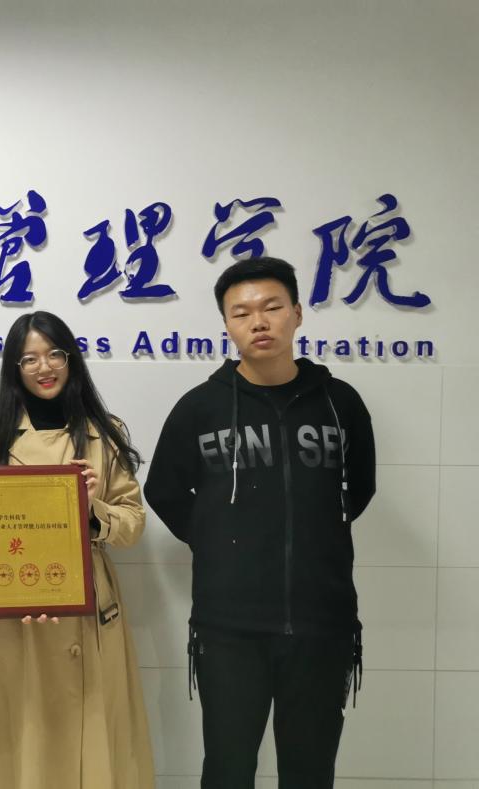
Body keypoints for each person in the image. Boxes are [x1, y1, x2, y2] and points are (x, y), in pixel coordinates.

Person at [144, 257, 377, 788]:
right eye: (242, 312)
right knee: (228, 770)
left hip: (323, 623)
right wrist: (219, 542)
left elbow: (359, 487)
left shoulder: (340, 404)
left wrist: (316, 535)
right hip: (229, 628)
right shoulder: (200, 408)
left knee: (310, 772)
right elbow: (163, 491)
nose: (259, 322)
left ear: (297, 313)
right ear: (227, 324)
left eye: (272, 307)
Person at [0, 310, 155, 789]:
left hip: (85, 603)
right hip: (13, 606)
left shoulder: (104, 431)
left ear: (71, 359)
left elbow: (132, 525)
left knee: (90, 732)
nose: (44, 367)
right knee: (19, 731)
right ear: (15, 369)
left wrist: (92, 509)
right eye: (29, 359)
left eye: (54, 354)